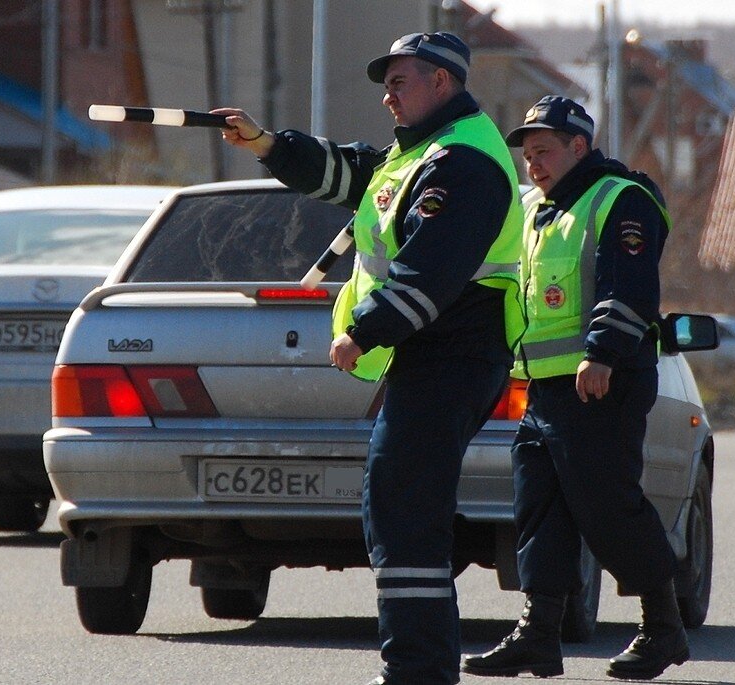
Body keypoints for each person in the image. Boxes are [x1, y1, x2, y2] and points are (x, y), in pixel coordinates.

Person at [215, 32, 524, 685]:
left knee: (404, 506)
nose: (386, 96)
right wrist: (268, 143)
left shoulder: (464, 161)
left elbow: (430, 269)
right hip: (435, 355)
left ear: (442, 81)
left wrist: (366, 329)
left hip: (453, 351)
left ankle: (417, 669)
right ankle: (419, 665)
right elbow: (349, 172)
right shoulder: (418, 155)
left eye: (399, 82)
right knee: (400, 505)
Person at [460, 96, 689, 681]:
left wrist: (602, 354)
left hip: (600, 382)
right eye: (527, 154)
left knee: (606, 505)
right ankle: (538, 635)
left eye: (544, 151)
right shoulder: (538, 208)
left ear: (579, 147)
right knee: (539, 511)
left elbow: (629, 286)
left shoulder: (619, 199)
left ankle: (663, 628)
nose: (532, 163)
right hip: (544, 390)